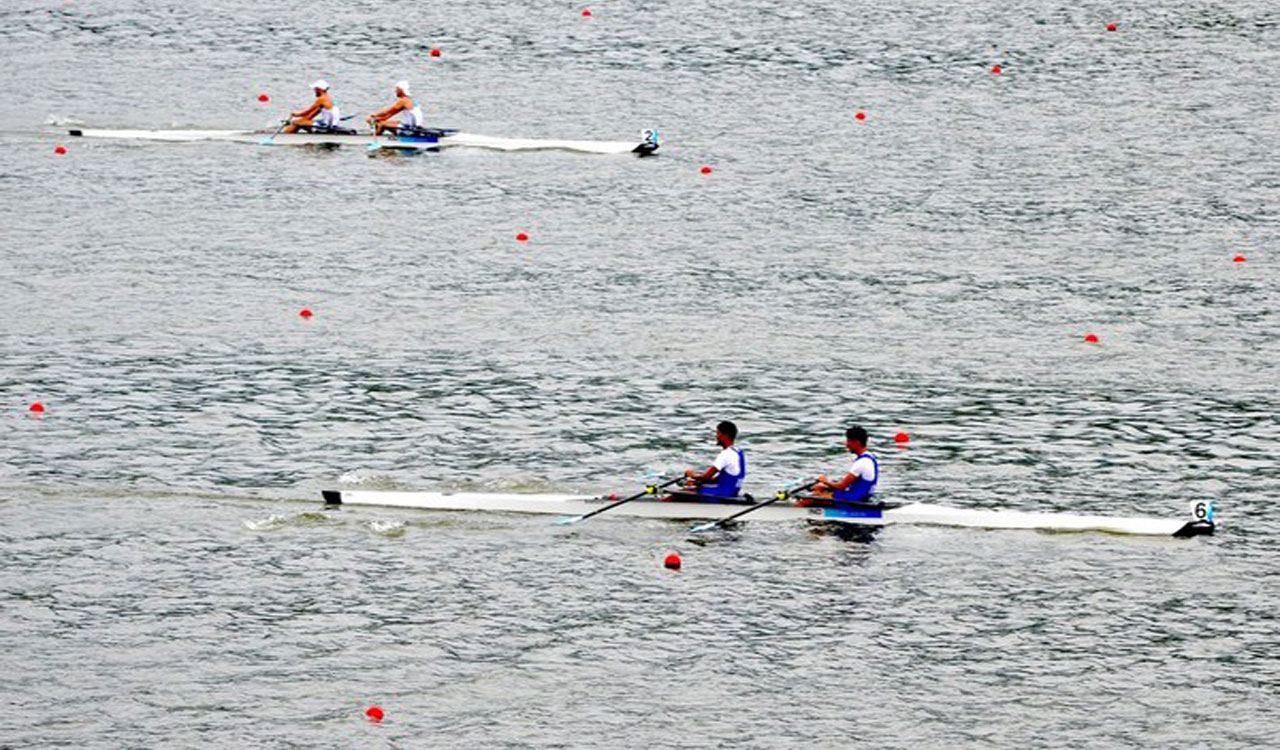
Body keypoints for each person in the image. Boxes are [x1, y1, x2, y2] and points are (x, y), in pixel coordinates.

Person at [674, 421, 746, 501]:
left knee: (680, 494)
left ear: (726, 435)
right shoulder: (738, 452)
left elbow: (706, 476)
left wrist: (692, 475)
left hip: (721, 495)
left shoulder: (725, 454)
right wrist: (697, 482)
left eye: (718, 433)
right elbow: (719, 480)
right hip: (732, 492)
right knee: (695, 487)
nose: (717, 436)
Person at [810, 425, 879, 505]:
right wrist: (827, 485)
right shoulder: (869, 457)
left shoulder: (861, 463)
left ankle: (799, 511)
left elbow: (842, 486)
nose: (846, 445)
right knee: (819, 488)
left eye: (849, 441)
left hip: (854, 499)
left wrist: (825, 482)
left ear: (857, 442)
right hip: (861, 495)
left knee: (810, 499)